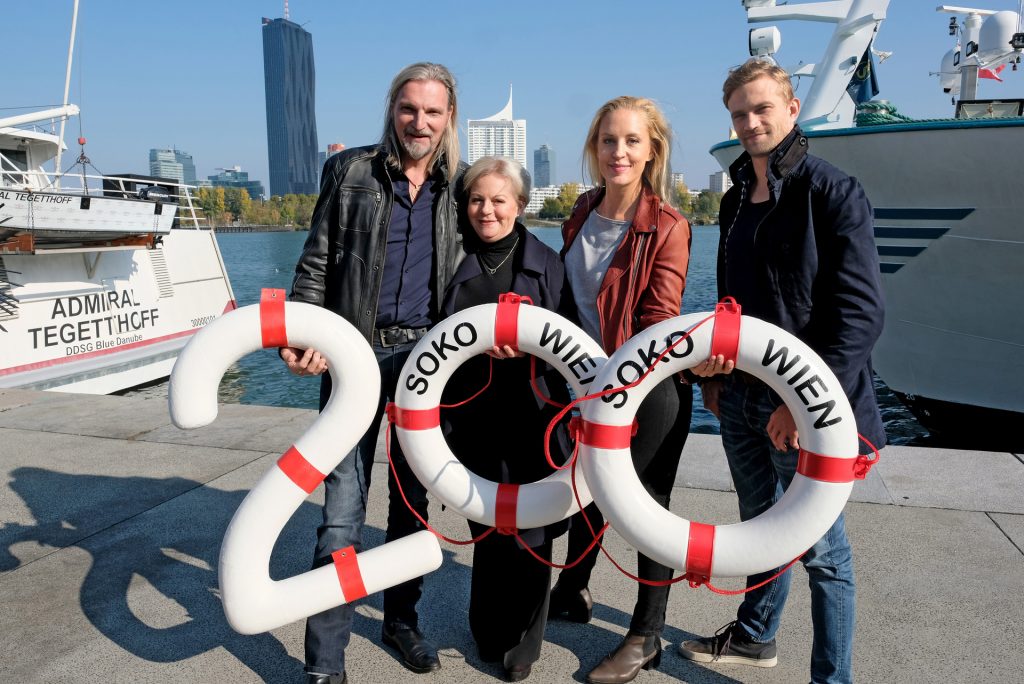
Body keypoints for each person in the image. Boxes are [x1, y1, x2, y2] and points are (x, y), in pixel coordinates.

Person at [678, 59, 886, 684]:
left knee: (825, 553)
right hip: (739, 395)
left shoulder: (833, 192)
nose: (750, 122)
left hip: (809, 407)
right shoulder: (738, 193)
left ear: (793, 110)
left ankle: (833, 679)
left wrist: (801, 404)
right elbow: (731, 304)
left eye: (762, 109)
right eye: (739, 113)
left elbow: (860, 314)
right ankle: (756, 636)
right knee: (762, 526)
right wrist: (711, 375)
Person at [281, 62, 466, 684]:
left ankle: (401, 621)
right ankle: (325, 661)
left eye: (433, 112)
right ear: (393, 110)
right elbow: (314, 262)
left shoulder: (460, 185)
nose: (420, 121)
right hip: (353, 353)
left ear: (449, 119)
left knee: (413, 504)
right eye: (409, 108)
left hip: (427, 363)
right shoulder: (351, 171)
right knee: (342, 507)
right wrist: (303, 334)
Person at [549, 96, 693, 684]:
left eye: (632, 141)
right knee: (588, 484)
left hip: (647, 389)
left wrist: (615, 380)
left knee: (645, 506)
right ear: (594, 147)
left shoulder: (669, 225)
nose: (619, 152)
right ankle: (575, 586)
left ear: (651, 149)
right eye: (609, 140)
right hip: (581, 382)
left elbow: (660, 318)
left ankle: (646, 635)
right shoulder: (581, 211)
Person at [440, 156, 570, 683]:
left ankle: (525, 638)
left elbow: (571, 343)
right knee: (487, 520)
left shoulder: (546, 262)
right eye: (476, 199)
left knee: (534, 528)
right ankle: (488, 623)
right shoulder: (452, 258)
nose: (486, 209)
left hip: (533, 414)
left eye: (498, 199)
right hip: (471, 413)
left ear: (520, 204)